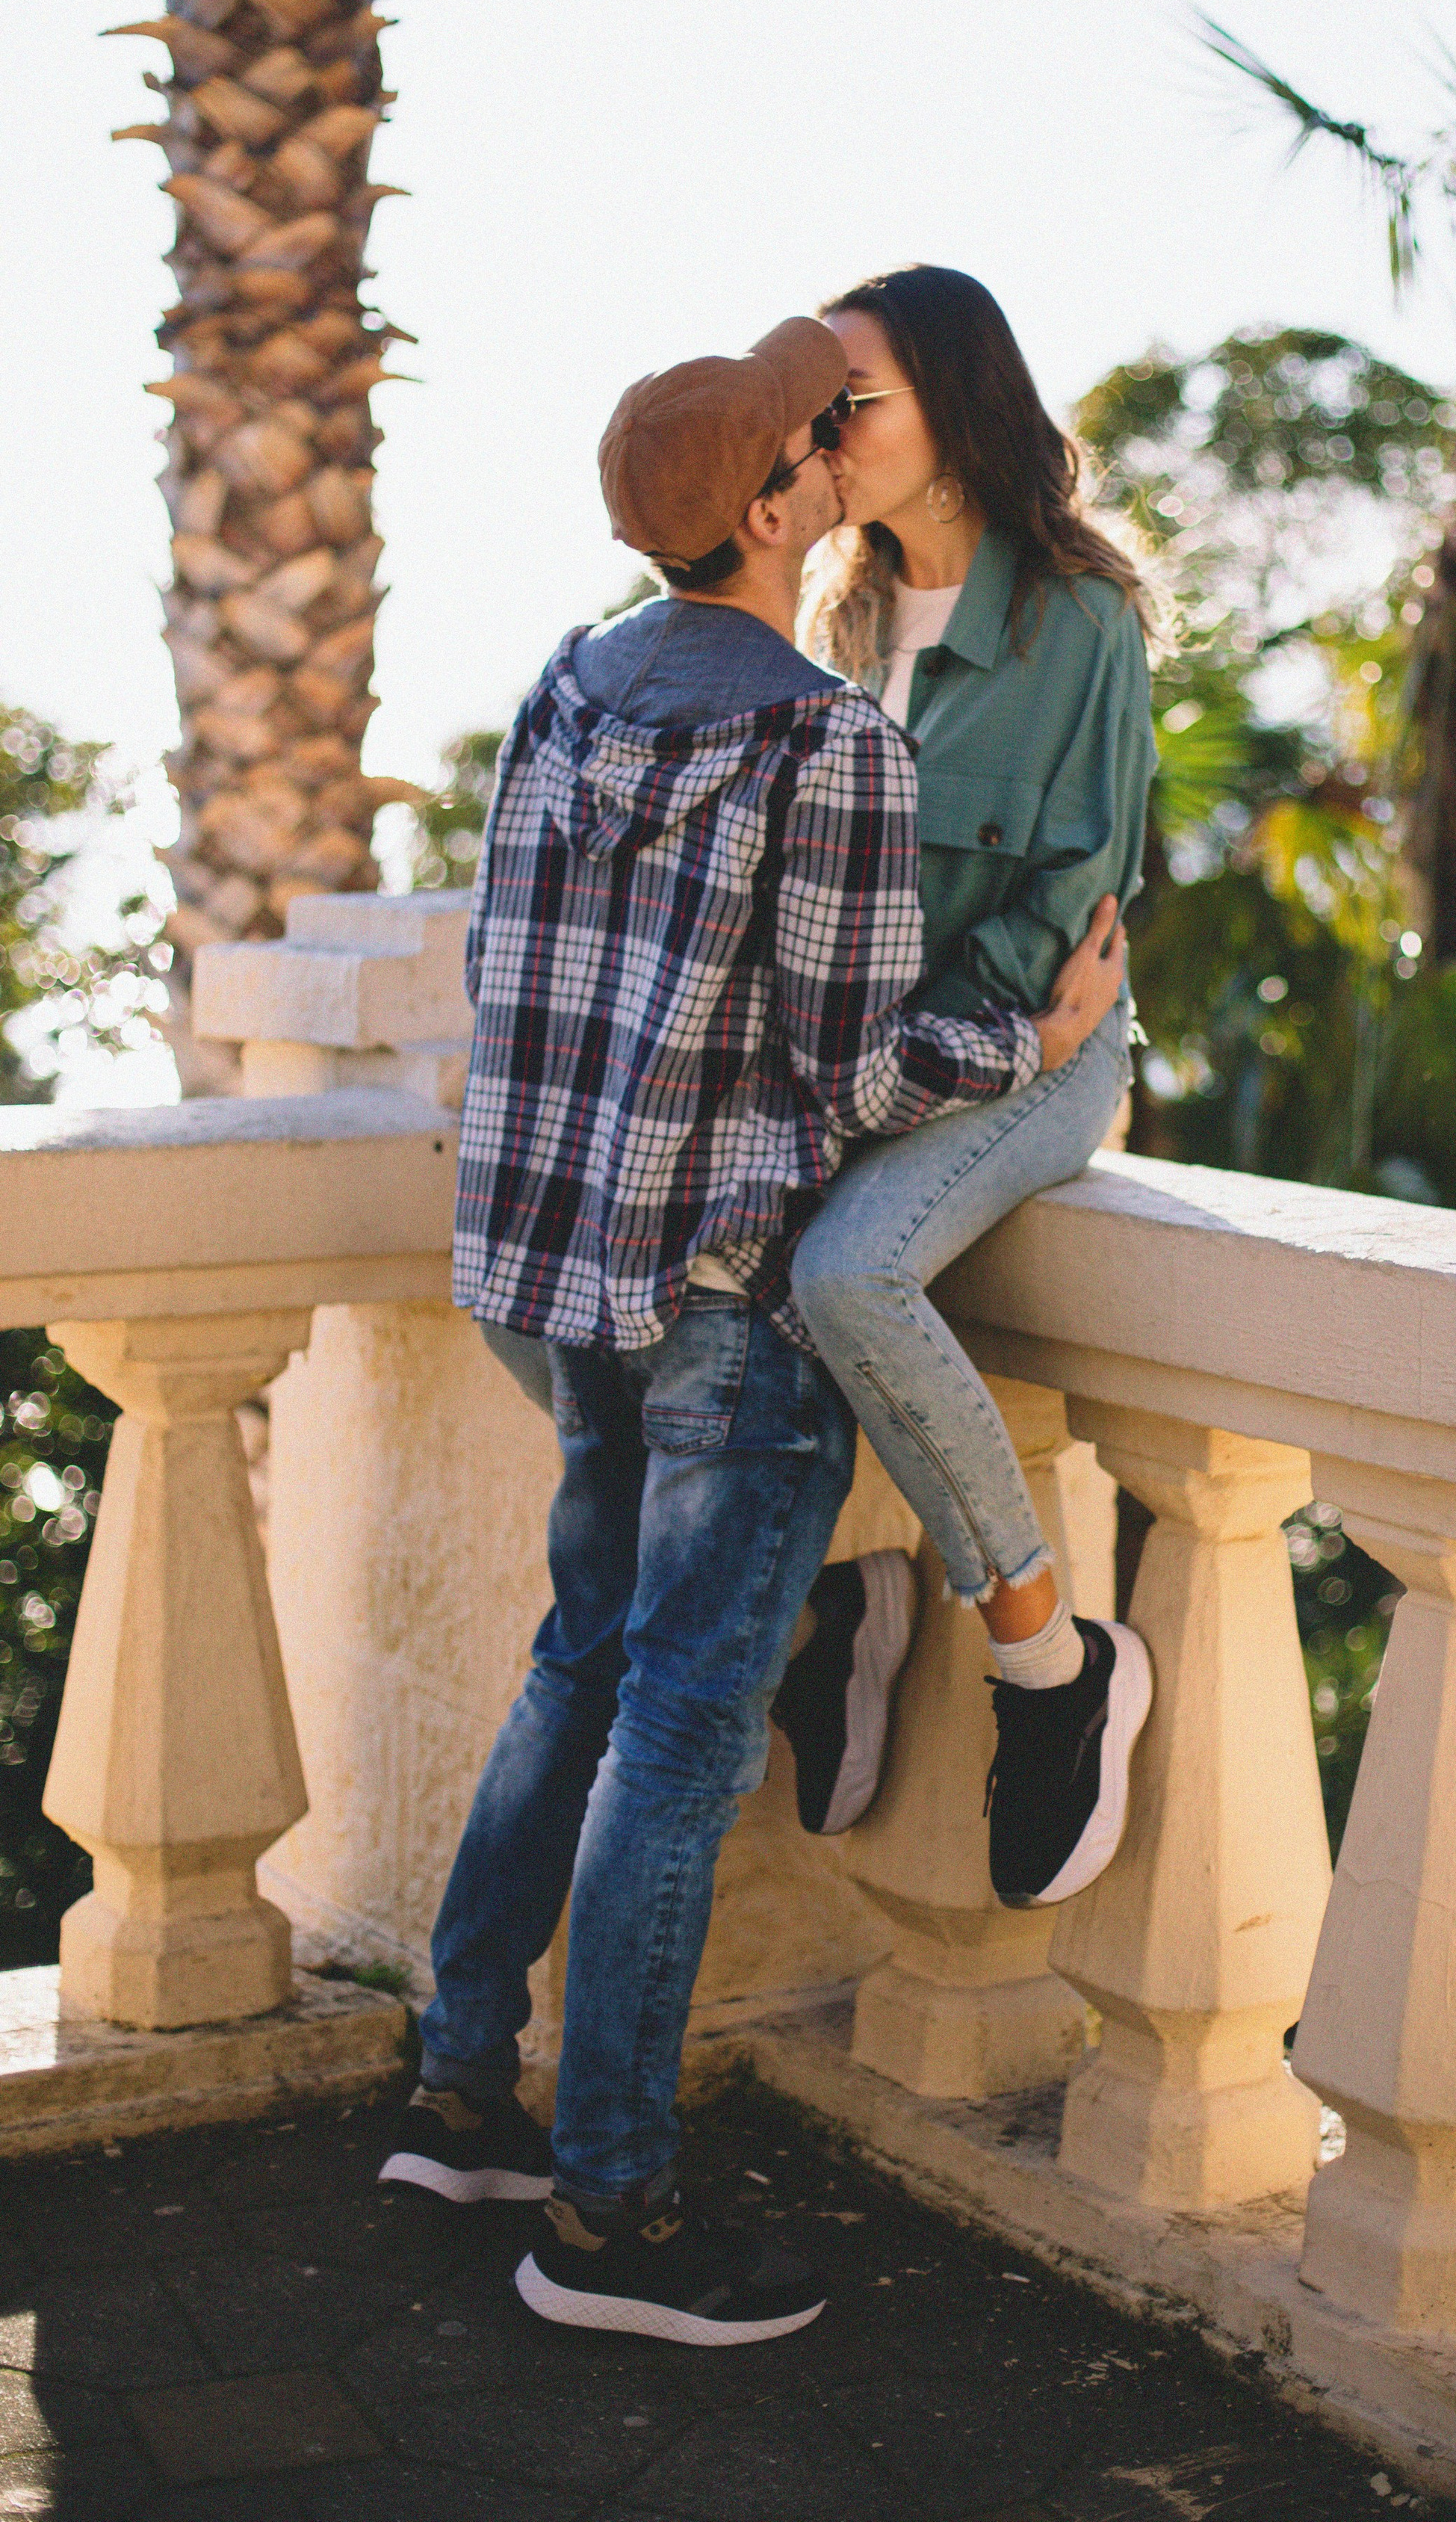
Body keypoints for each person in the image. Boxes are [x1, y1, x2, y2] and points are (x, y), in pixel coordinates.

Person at [377, 318, 1127, 2343]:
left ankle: (459, 2089)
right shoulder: (828, 745)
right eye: (816, 436)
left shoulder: (568, 684)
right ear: (778, 508)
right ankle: (609, 2219)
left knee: (579, 1660)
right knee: (680, 1737)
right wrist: (1036, 1038)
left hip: (568, 1278)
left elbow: (518, 980)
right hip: (721, 1301)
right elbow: (858, 1072)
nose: (837, 450)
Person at [775, 266, 1162, 1908]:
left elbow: (1065, 913)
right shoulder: (834, 619)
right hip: (863, 1067)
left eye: (852, 402)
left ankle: (1053, 1669)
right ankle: (832, 1608)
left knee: (846, 1274)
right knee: (656, 1260)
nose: (824, 434)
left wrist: (886, 1074)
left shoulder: (1076, 621)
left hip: (1036, 1052)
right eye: (810, 409)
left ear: (954, 402)